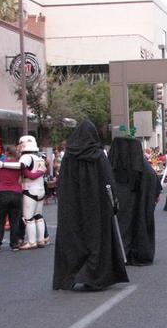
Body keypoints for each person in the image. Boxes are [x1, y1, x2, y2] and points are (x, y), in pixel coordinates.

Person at [53, 120, 129, 291]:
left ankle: (69, 276)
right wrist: (114, 202)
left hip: (72, 205)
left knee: (73, 239)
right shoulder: (98, 156)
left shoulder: (68, 157)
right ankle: (94, 276)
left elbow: (62, 183)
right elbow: (108, 181)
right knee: (96, 239)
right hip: (96, 205)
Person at [109, 137, 161, 265]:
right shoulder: (144, 169)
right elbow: (155, 189)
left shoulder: (110, 168)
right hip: (137, 205)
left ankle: (117, 254)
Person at [0, 135, 47, 249]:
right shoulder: (39, 157)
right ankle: (40, 240)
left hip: (30, 189)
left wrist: (3, 164)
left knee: (29, 218)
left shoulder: (26, 157)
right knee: (38, 216)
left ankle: (31, 242)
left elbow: (21, 166)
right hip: (40, 189)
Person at [0, 146, 38, 252]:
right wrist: (42, 171)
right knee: (14, 221)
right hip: (16, 193)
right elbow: (30, 175)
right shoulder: (19, 165)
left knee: (0, 220)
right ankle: (14, 244)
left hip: (2, 193)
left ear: (6, 153)